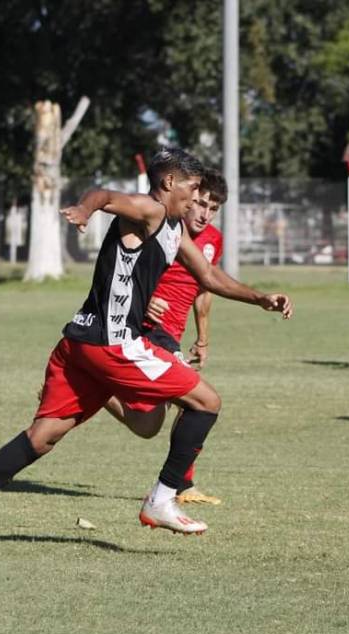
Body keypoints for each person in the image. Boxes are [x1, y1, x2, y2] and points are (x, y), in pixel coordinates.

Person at [0, 148, 292, 552]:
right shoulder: (149, 210)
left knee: (42, 437)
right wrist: (85, 211)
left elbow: (207, 275)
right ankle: (161, 500)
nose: (195, 198)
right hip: (114, 343)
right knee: (206, 402)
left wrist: (259, 297)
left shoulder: (174, 227)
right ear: (169, 183)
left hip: (78, 343)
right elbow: (102, 195)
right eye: (192, 188)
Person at [104, 168, 228, 506]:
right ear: (187, 198)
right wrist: (145, 300)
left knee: (147, 424)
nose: (204, 213)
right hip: (149, 332)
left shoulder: (214, 240)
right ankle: (177, 487)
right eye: (200, 204)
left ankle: (98, 387)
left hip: (174, 334)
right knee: (198, 401)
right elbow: (124, 269)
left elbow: (204, 289)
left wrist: (203, 337)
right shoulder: (160, 228)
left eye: (213, 208)